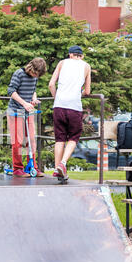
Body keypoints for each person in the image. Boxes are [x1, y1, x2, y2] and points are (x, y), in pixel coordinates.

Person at [48, 45, 91, 180]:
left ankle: (58, 170)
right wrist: (80, 93)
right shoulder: (86, 66)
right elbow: (88, 91)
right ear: (81, 56)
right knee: (73, 137)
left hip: (59, 106)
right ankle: (63, 163)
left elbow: (51, 84)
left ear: (70, 55)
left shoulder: (62, 63)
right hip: (74, 106)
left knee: (59, 138)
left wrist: (57, 98)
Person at [7, 57, 47, 177]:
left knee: (31, 140)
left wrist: (33, 99)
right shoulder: (19, 73)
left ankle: (33, 166)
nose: (35, 76)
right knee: (18, 141)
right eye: (35, 73)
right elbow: (11, 91)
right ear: (30, 67)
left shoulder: (35, 77)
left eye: (38, 75)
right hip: (15, 111)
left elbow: (33, 90)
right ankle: (18, 168)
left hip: (28, 111)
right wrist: (24, 103)